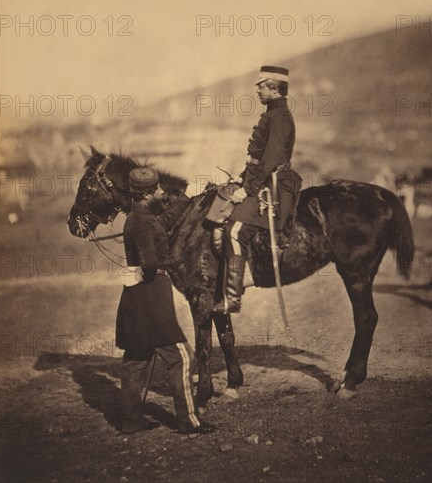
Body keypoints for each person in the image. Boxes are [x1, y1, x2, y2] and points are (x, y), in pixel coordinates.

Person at [116, 166, 216, 434]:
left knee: (136, 358)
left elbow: (166, 221)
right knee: (181, 357)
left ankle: (131, 420)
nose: (161, 192)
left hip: (136, 296)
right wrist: (160, 265)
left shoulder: (139, 217)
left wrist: (189, 200)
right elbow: (149, 261)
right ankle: (187, 420)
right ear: (148, 194)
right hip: (152, 292)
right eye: (157, 189)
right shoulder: (144, 222)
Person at [213, 65, 302, 314]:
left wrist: (248, 189)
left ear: (273, 87)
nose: (257, 91)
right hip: (260, 179)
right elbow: (257, 159)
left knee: (234, 230)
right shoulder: (271, 115)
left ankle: (233, 296)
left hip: (273, 184)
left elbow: (271, 159)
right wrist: (242, 180)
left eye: (261, 86)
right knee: (217, 213)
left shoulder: (280, 118)